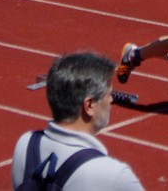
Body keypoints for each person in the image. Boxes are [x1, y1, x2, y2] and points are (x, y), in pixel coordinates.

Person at [11, 52, 144, 191]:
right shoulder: (114, 175)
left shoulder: (25, 145)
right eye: (109, 95)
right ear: (89, 105)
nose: (111, 100)